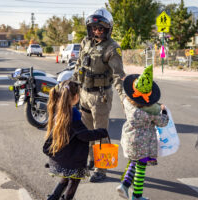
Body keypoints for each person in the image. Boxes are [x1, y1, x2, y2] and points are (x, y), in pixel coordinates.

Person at [71, 7, 126, 183]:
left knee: (100, 133)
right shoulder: (85, 43)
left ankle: (102, 169)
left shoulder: (112, 48)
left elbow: (118, 75)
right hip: (84, 94)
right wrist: (72, 85)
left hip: (101, 96)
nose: (97, 31)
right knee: (86, 132)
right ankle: (92, 160)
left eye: (101, 28)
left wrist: (125, 98)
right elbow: (78, 65)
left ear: (107, 29)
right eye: (94, 28)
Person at [43, 80, 108, 200]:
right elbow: (84, 135)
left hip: (62, 158)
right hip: (73, 160)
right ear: (76, 97)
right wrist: (101, 132)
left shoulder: (58, 110)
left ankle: (53, 198)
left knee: (65, 179)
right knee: (73, 182)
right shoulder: (73, 114)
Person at [116, 65, 169, 200]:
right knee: (141, 168)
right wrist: (164, 111)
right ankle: (137, 196)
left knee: (133, 161)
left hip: (130, 140)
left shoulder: (127, 103)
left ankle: (124, 185)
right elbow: (163, 122)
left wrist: (123, 81)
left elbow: (123, 93)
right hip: (144, 144)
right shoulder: (150, 113)